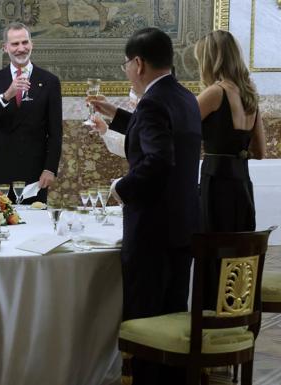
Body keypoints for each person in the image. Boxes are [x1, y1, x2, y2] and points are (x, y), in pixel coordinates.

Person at [90, 27, 201, 385]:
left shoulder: (152, 103)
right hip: (182, 228)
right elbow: (158, 130)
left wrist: (121, 187)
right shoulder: (184, 97)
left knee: (147, 328)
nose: (126, 72)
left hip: (151, 232)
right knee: (172, 321)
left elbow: (156, 160)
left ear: (138, 63)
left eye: (126, 65)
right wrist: (116, 113)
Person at [194, 30, 265, 308]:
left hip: (216, 180)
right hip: (241, 182)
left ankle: (211, 315)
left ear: (211, 59)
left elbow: (180, 129)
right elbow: (260, 152)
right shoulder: (249, 95)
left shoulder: (215, 92)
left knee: (213, 249)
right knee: (237, 250)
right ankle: (237, 313)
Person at [0, 22, 62, 203]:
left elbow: (55, 131)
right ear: (5, 47)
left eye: (25, 42)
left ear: (32, 44)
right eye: (15, 44)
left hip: (35, 173)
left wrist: (50, 168)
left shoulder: (49, 81)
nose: (21, 49)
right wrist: (7, 95)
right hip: (2, 170)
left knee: (35, 228)